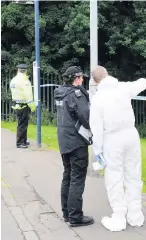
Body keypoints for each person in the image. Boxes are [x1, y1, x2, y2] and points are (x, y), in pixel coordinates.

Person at [89, 65, 146, 232]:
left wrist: (97, 151)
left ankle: (119, 216)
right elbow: (139, 84)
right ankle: (135, 215)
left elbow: (96, 128)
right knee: (133, 175)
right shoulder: (123, 87)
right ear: (107, 74)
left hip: (112, 138)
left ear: (96, 82)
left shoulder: (98, 99)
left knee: (114, 176)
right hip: (131, 135)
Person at [54, 66, 94, 227]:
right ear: (77, 78)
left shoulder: (60, 92)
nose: (83, 80)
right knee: (77, 178)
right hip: (76, 141)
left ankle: (66, 213)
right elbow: (86, 117)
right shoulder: (76, 94)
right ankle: (76, 217)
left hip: (64, 139)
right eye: (81, 78)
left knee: (68, 175)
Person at [10, 64, 36, 148]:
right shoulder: (25, 81)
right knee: (23, 124)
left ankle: (23, 140)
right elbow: (28, 95)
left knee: (21, 123)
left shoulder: (14, 80)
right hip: (24, 104)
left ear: (18, 70)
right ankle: (20, 142)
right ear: (25, 70)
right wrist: (32, 106)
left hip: (16, 104)